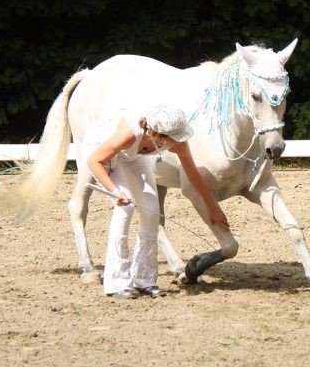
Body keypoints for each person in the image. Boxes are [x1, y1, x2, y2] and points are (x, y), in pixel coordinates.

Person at [84, 104, 230, 299]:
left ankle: (144, 279)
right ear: (159, 136)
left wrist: (213, 208)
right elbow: (94, 161)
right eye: (174, 138)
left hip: (135, 156)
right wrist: (115, 191)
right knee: (125, 209)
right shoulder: (129, 133)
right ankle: (117, 281)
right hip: (105, 150)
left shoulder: (176, 142)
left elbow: (193, 175)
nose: (180, 141)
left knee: (152, 210)